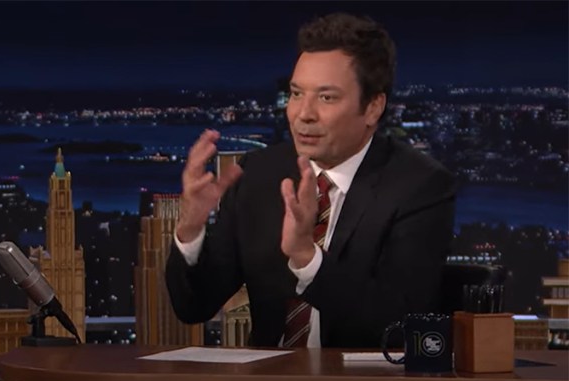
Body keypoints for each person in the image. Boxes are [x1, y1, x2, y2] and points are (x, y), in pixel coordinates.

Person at [165, 13, 456, 348]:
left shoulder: (420, 186)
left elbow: (397, 326)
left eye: (326, 97)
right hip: (270, 377)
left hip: (361, 380)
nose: (303, 114)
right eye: (296, 94)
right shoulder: (259, 175)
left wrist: (306, 257)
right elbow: (194, 306)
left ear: (373, 108)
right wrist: (190, 227)